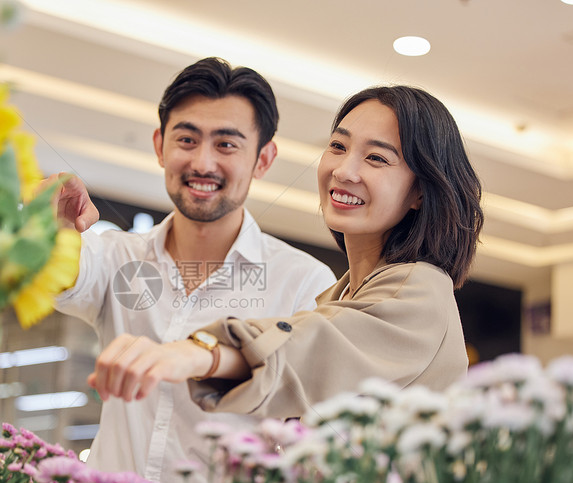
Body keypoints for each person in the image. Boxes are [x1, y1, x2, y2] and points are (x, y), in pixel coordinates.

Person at [88, 85, 484, 420]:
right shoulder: (340, 296)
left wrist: (197, 353)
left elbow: (307, 352)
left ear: (420, 190)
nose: (344, 170)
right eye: (338, 146)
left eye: (376, 158)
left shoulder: (421, 289)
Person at [48, 57, 335, 483]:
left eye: (226, 145)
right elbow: (64, 274)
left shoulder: (303, 283)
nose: (203, 162)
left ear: (264, 158)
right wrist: (55, 227)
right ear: (160, 145)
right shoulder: (117, 256)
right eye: (187, 139)